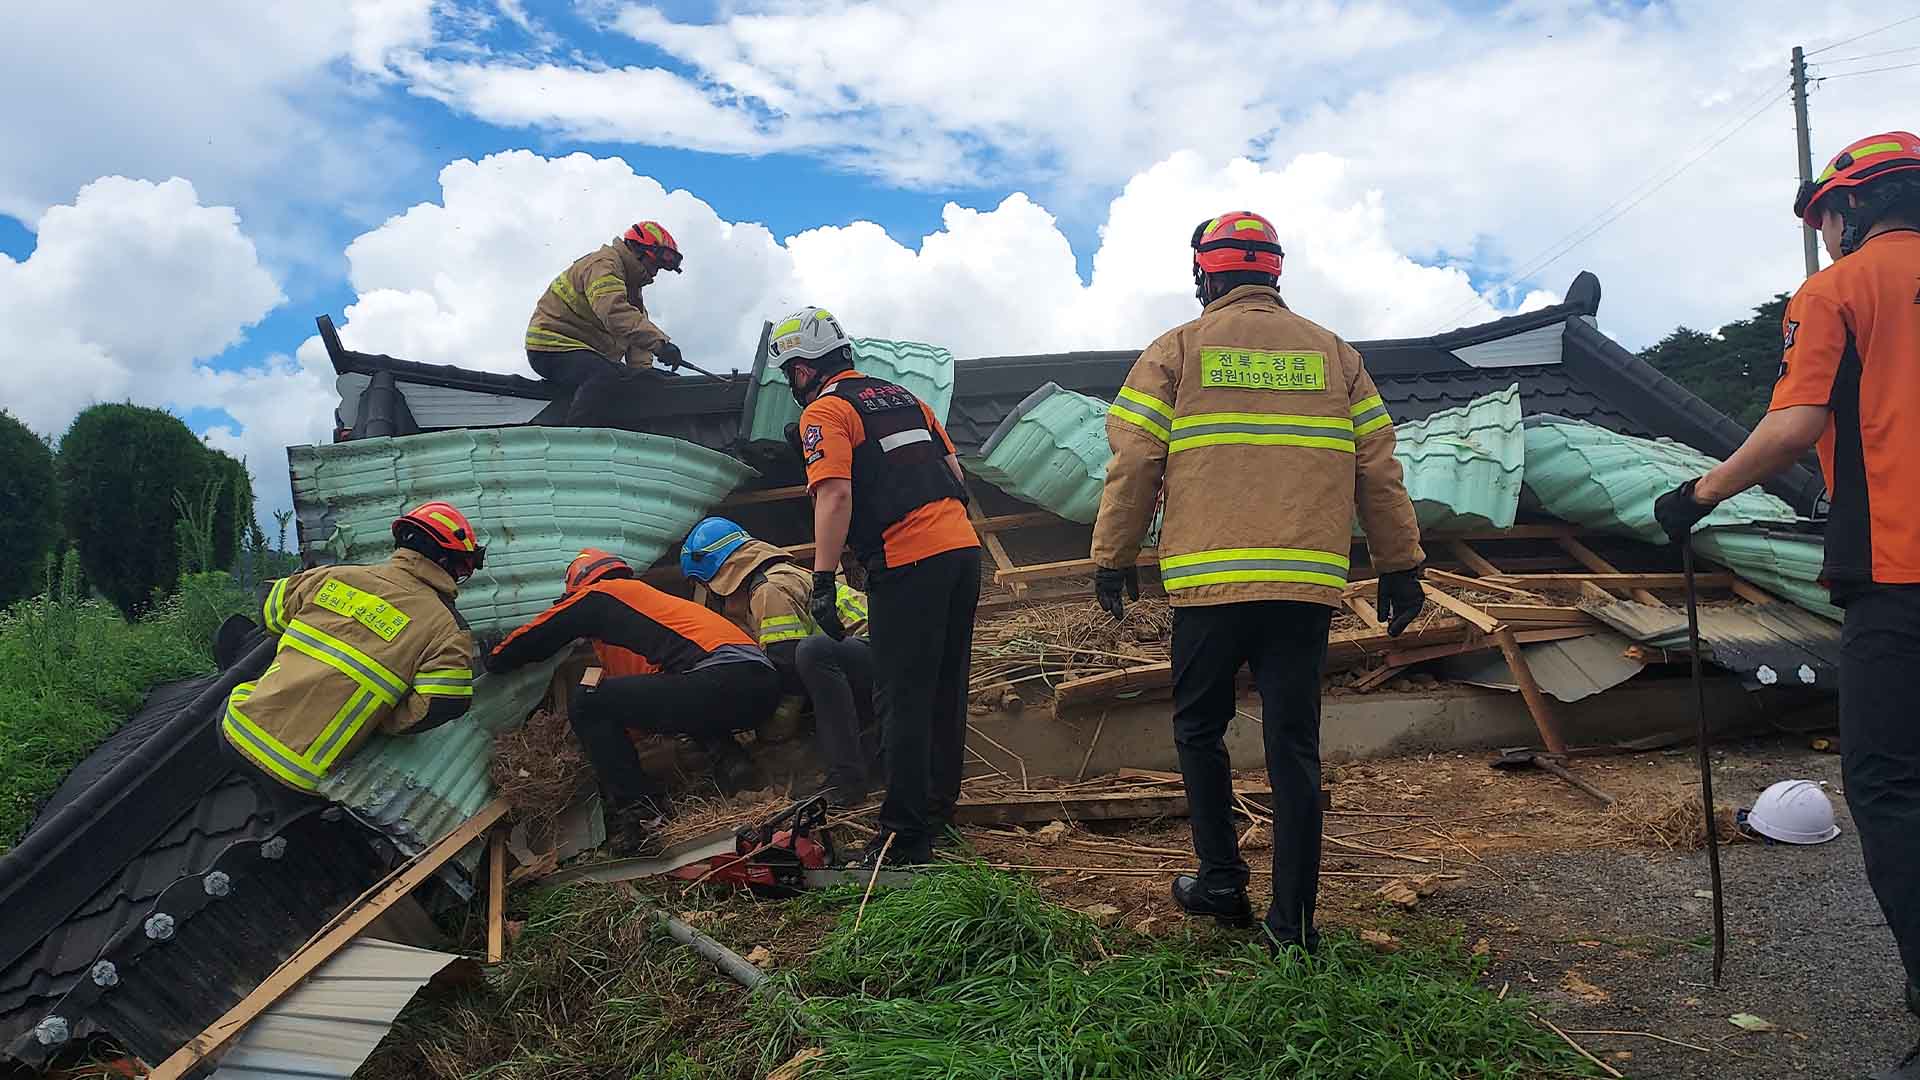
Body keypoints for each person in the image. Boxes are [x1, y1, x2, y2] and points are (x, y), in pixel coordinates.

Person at [1653, 131, 1920, 1080]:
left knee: (1893, 785)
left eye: (1827, 219)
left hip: (1899, 571)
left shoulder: (1840, 289)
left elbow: (1798, 423)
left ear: (1849, 210)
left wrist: (1699, 496)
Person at [1089, 211, 1427, 953]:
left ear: (1204, 275)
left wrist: (1112, 556)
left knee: (1199, 730)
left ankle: (1219, 881)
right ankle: (1293, 927)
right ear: (1276, 274)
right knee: (1293, 748)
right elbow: (1378, 468)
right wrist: (1401, 564)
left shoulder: (1176, 350)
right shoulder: (1336, 356)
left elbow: (1137, 462)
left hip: (1210, 591)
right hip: (1303, 588)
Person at [774, 306, 981, 866]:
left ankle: (904, 837)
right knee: (944, 690)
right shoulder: (904, 397)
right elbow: (956, 476)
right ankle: (937, 812)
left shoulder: (826, 411)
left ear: (800, 369)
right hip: (963, 552)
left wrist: (822, 578)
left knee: (902, 698)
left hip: (910, 560)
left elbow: (834, 495)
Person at [484, 549, 781, 855]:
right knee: (681, 698)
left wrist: (495, 657)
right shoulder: (651, 604)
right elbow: (647, 701)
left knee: (588, 703)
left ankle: (641, 812)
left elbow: (543, 632)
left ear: (581, 586)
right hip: (759, 683)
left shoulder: (600, 594)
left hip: (721, 675)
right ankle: (734, 766)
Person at [222, 501, 483, 796]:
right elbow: (444, 704)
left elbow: (270, 611)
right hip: (300, 773)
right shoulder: (448, 630)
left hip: (234, 728)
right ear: (450, 564)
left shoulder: (334, 575)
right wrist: (378, 717)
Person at [681, 516, 879, 807]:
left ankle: (845, 779)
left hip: (877, 656)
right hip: (871, 655)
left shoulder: (768, 591)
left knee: (812, 656)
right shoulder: (777, 577)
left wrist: (774, 726)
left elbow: (788, 666)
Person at [525, 221, 688, 423]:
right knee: (603, 376)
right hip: (552, 347)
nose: (655, 273)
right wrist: (660, 344)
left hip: (584, 353)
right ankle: (576, 440)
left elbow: (635, 332)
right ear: (638, 250)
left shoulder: (630, 288)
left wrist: (646, 374)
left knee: (640, 379)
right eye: (655, 265)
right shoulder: (604, 265)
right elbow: (614, 312)